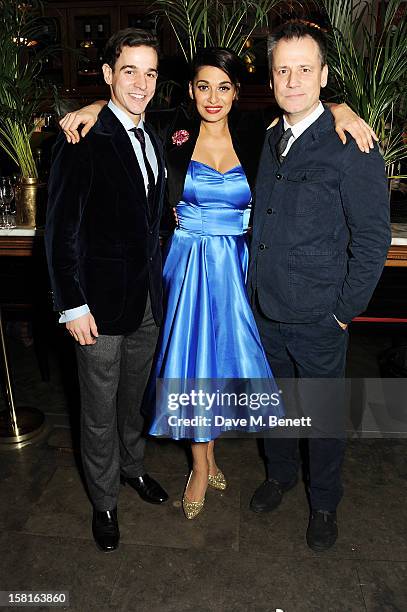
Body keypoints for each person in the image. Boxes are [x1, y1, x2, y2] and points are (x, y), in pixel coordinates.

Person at [58, 47, 378, 522]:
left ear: (238, 93)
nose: (213, 97)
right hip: (185, 270)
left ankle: (298, 487)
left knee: (238, 375)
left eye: (224, 87)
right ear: (190, 90)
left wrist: (342, 107)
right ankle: (201, 465)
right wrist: (88, 106)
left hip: (241, 273)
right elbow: (123, 110)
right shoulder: (171, 132)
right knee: (192, 369)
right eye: (203, 86)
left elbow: (302, 108)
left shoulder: (257, 133)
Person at [248, 21, 391, 552]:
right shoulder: (265, 136)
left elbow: (373, 237)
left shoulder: (350, 143)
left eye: (304, 69)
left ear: (324, 75)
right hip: (265, 309)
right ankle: (280, 474)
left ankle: (325, 501)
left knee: (323, 415)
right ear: (272, 75)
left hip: (319, 315)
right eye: (283, 69)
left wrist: (343, 311)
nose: (292, 80)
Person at [45, 28, 169, 553]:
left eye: (150, 73)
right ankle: (104, 502)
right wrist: (71, 304)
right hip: (94, 305)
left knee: (134, 400)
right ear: (107, 75)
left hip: (145, 301)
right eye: (129, 71)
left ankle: (133, 469)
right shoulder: (81, 139)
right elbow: (59, 232)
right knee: (97, 409)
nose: (141, 83)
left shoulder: (154, 135)